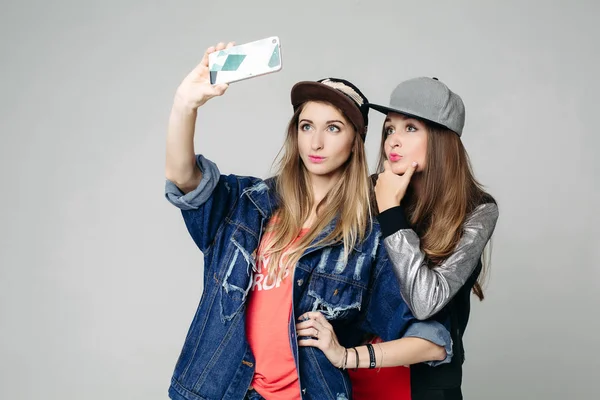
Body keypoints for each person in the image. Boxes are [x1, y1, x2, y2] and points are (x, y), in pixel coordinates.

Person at [164, 43, 452, 400]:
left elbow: (432, 341)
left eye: (333, 128)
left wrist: (348, 356)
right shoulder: (246, 204)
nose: (315, 142)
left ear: (354, 142)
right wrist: (185, 104)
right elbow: (185, 180)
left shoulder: (367, 240)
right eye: (306, 126)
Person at [347, 77, 499, 400]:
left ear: (441, 139)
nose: (393, 142)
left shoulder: (477, 210)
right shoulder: (368, 190)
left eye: (410, 128)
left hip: (425, 383)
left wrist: (390, 211)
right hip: (354, 374)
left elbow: (426, 300)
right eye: (389, 129)